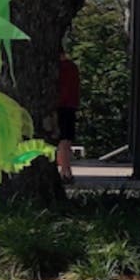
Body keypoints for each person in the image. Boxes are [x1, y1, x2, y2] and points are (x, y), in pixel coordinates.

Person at [56, 47, 81, 184]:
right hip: (70, 106)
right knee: (67, 141)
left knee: (63, 142)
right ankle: (66, 170)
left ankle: (65, 171)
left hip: (61, 106)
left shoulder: (60, 68)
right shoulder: (72, 67)